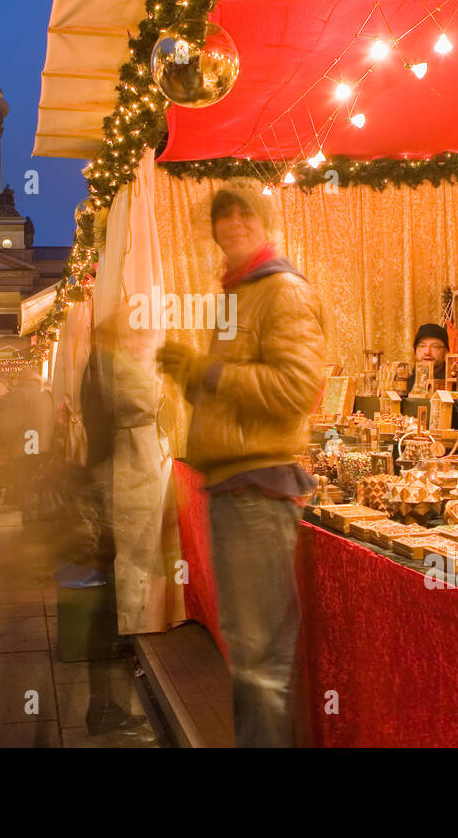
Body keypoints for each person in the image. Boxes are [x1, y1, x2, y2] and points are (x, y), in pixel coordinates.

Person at [156, 179, 326, 748]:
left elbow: (297, 388)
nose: (230, 225)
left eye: (242, 215)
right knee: (249, 654)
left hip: (259, 491)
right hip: (234, 487)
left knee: (259, 660)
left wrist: (205, 372)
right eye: (220, 218)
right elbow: (235, 396)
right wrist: (192, 377)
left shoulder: (281, 291)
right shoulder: (237, 294)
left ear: (264, 221)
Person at [0, 368, 54, 527]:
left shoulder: (18, 394)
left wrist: (7, 443)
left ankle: (29, 519)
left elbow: (8, 425)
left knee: (26, 484)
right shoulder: (45, 394)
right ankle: (41, 517)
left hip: (27, 444)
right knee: (38, 482)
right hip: (43, 445)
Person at [405, 323, 449, 391]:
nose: (427, 352)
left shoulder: (454, 382)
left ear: (446, 351)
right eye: (422, 346)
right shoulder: (407, 383)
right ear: (415, 351)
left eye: (435, 346)